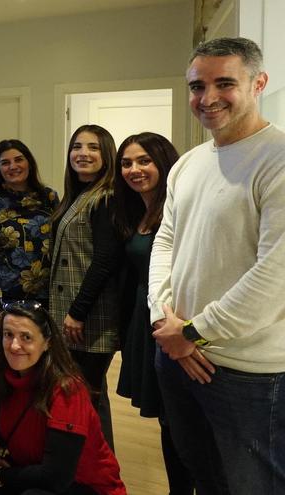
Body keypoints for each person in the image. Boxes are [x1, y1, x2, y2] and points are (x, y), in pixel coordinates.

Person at [149, 37, 285, 495]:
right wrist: (163, 318)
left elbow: (274, 276)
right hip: (176, 352)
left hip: (245, 371)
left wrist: (191, 334)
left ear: (258, 83)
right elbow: (166, 241)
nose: (207, 98)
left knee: (252, 485)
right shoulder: (187, 164)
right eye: (196, 86)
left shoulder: (277, 160)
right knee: (202, 474)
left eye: (224, 83)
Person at [111, 133, 193, 494]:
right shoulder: (137, 210)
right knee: (166, 419)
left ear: (163, 161)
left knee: (182, 421)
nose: (134, 169)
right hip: (143, 323)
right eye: (127, 163)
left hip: (172, 321)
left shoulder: (177, 209)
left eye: (143, 161)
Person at [0, 301, 125, 495]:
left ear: (47, 342)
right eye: (8, 334)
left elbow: (57, 477)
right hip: (30, 470)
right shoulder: (1, 373)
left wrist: (0, 476)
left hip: (83, 485)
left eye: (26, 337)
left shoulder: (67, 390)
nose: (14, 345)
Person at [48, 124, 121, 449]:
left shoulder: (105, 199)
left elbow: (104, 261)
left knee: (89, 397)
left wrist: (77, 312)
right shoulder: (76, 196)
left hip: (90, 318)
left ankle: (100, 472)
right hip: (71, 315)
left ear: (107, 155)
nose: (83, 153)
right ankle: (86, 466)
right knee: (81, 394)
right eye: (77, 146)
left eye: (93, 147)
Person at [0, 139, 59, 359]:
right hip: (5, 302)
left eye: (18, 160)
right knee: (6, 366)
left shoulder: (49, 198)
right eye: (5, 163)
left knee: (43, 366)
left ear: (29, 163)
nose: (13, 166)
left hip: (45, 300)